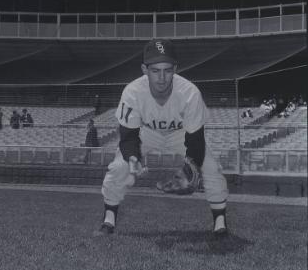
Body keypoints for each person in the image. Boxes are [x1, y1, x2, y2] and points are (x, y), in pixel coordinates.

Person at [93, 39, 229, 237]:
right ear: (144, 69)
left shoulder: (190, 93)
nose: (162, 77)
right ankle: (109, 220)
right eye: (155, 70)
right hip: (146, 133)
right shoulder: (132, 92)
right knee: (119, 167)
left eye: (167, 70)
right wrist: (132, 157)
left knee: (210, 167)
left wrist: (189, 168)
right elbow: (128, 136)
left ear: (175, 68)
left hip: (180, 133)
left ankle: (220, 222)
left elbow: (195, 139)